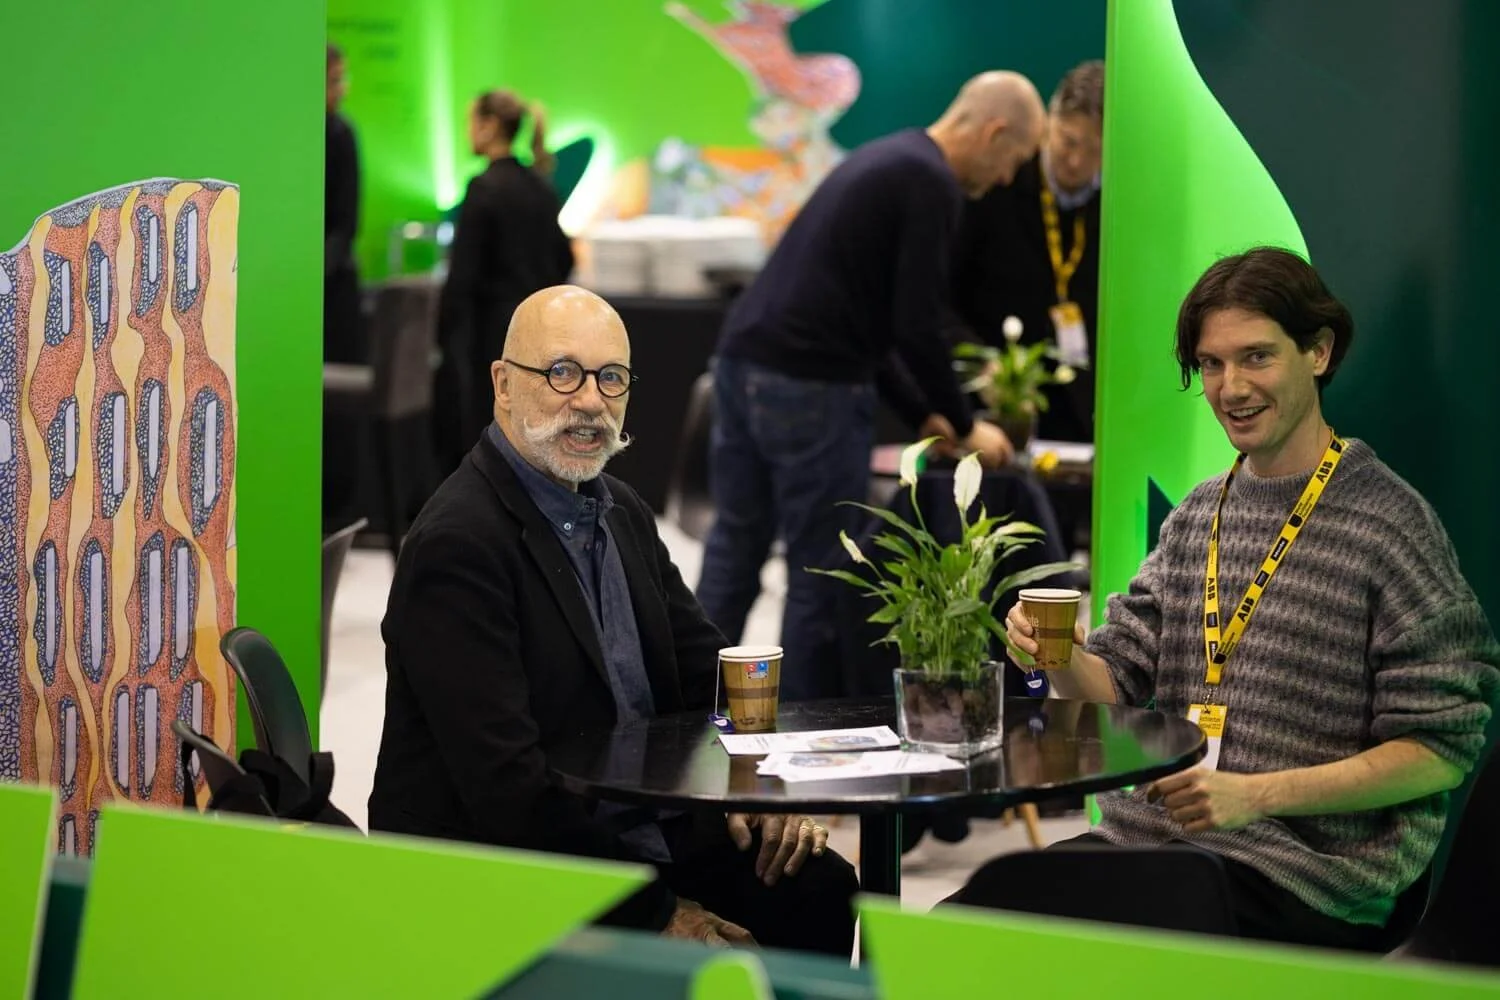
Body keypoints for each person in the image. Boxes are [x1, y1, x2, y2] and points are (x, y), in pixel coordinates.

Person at [952, 247, 1500, 951]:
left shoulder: (1388, 524)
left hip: (1305, 877)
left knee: (1057, 930)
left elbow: (1441, 749)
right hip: (1159, 847)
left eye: (1256, 357)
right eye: (1211, 364)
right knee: (966, 924)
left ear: (1319, 352)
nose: (1231, 386)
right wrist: (1051, 652)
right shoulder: (1198, 514)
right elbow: (1110, 685)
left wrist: (1257, 795)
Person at [370, 285, 858, 955]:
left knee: (821, 886)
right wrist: (652, 912)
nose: (592, 402)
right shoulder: (461, 545)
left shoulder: (617, 509)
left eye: (611, 378)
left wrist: (764, 786)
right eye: (563, 373)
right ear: (504, 385)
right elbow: (507, 792)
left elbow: (705, 671)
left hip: (633, 823)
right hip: (507, 868)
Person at [697, 71, 1047, 701]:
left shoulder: (888, 158)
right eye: (1013, 162)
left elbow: (876, 325)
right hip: (813, 386)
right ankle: (799, 763)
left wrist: (922, 415)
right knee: (819, 575)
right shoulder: (931, 182)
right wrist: (966, 423)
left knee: (733, 553)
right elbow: (915, 326)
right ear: (996, 133)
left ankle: (689, 723)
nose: (1003, 181)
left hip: (741, 362)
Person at [952, 59, 1103, 445]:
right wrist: (982, 371)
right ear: (1049, 121)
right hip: (991, 407)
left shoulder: (1120, 205)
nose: (1077, 161)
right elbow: (940, 297)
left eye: (1096, 151)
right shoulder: (997, 178)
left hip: (1078, 413)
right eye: (1069, 141)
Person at [432, 90, 576, 479]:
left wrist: (444, 337)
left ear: (489, 125)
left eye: (470, 122)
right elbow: (565, 258)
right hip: (541, 340)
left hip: (488, 339)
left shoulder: (484, 188)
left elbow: (462, 277)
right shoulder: (541, 187)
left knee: (486, 440)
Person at [323, 43, 364, 527]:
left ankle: (335, 513)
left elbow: (344, 223)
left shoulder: (342, 134)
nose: (342, 89)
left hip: (335, 299)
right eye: (335, 79)